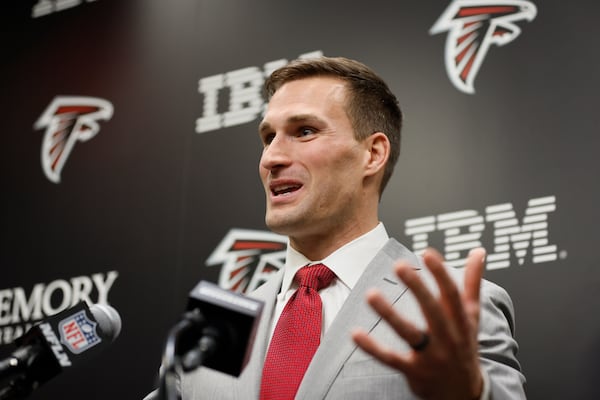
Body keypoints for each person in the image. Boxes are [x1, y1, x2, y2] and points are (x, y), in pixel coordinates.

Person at [150, 56, 525, 399]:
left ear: (373, 154)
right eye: (268, 137)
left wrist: (472, 394)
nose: (272, 157)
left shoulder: (452, 307)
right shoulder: (210, 331)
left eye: (305, 131)